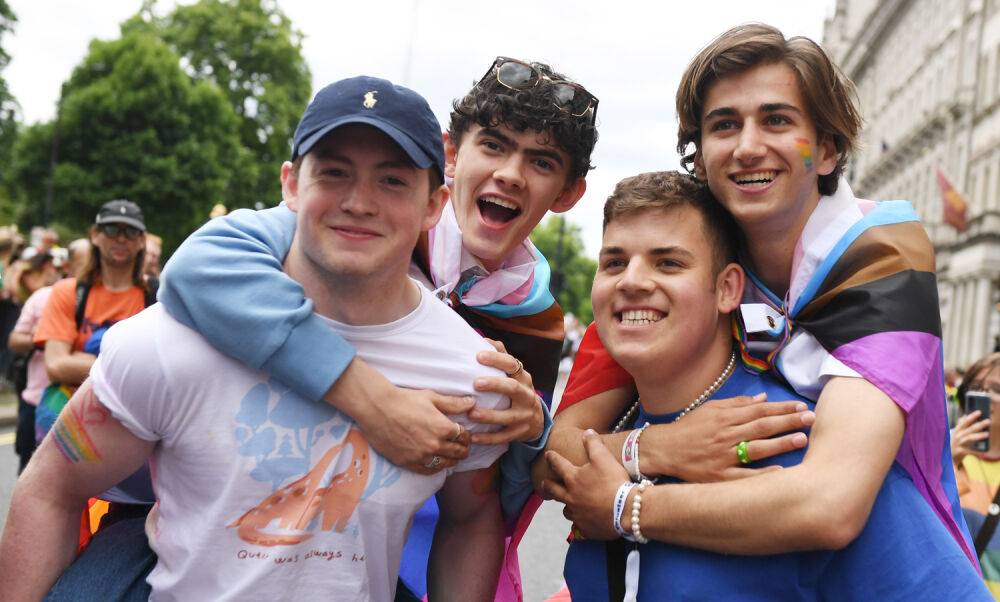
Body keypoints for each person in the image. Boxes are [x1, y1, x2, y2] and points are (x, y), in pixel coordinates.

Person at [0, 75, 510, 601]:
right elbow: (51, 490)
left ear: (434, 204)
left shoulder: (468, 373)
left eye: (393, 181)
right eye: (334, 173)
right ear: (291, 184)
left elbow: (470, 521)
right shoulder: (169, 342)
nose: (359, 202)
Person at [543, 21, 980, 577]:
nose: (748, 147)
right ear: (699, 157)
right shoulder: (676, 266)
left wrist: (625, 506)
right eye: (724, 125)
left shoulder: (881, 253)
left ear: (826, 150)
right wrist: (658, 448)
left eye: (776, 120)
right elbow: (556, 455)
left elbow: (830, 504)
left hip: (891, 566)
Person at [540, 170, 987, 599]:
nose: (633, 280)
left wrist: (624, 507)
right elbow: (537, 466)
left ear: (727, 289)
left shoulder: (797, 439)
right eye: (614, 262)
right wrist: (654, 447)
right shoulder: (607, 434)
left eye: (668, 262)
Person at [951, 353, 1000, 596]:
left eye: (997, 389)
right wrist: (947, 458)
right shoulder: (939, 451)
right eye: (977, 388)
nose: (985, 397)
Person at [7, 251, 60, 472]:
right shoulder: (42, 296)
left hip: (82, 405)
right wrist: (39, 338)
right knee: (28, 470)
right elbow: (14, 339)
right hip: (37, 399)